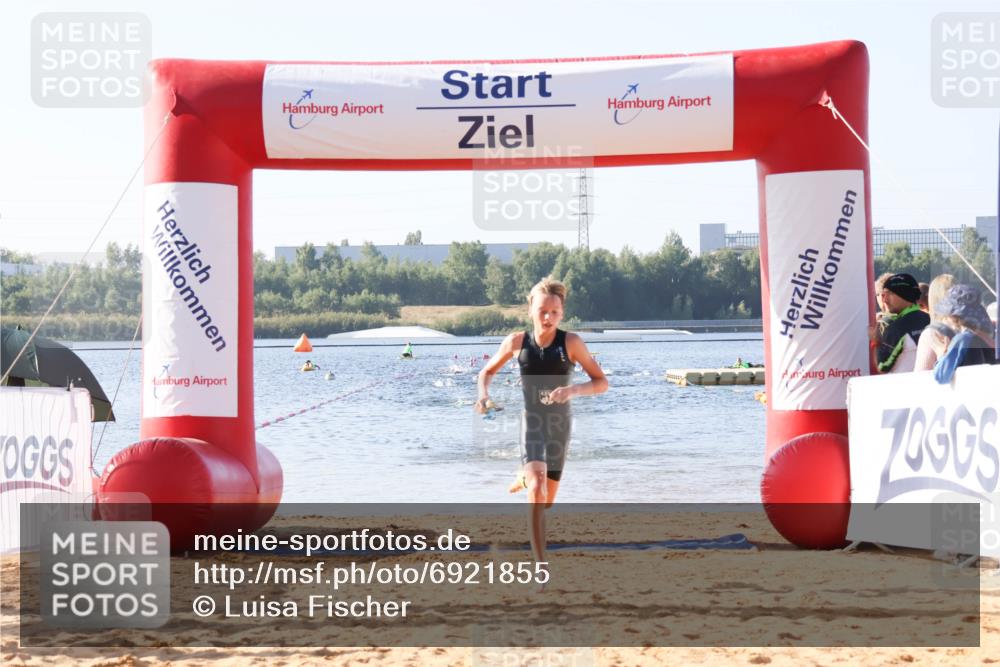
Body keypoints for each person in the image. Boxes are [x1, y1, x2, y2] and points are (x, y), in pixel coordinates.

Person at [475, 277, 608, 578]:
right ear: (530, 309)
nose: (548, 318)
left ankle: (523, 480)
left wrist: (572, 391)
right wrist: (484, 395)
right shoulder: (516, 342)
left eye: (555, 313)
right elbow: (486, 372)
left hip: (560, 426)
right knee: (538, 486)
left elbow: (602, 382)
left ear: (562, 313)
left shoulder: (571, 343)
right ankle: (540, 568)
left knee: (545, 503)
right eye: (542, 311)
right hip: (531, 423)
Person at [933, 284, 997, 383]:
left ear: (953, 316)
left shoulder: (962, 340)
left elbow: (941, 376)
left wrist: (942, 354)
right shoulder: (988, 337)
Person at [871, 273, 929, 374]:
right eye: (881, 295)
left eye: (888, 294)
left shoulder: (896, 329)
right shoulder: (930, 319)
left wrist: (874, 340)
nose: (884, 300)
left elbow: (882, 367)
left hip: (901, 387)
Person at [914, 274, 956, 371]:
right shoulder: (976, 327)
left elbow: (920, 378)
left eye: (921, 306)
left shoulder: (931, 334)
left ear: (931, 299)